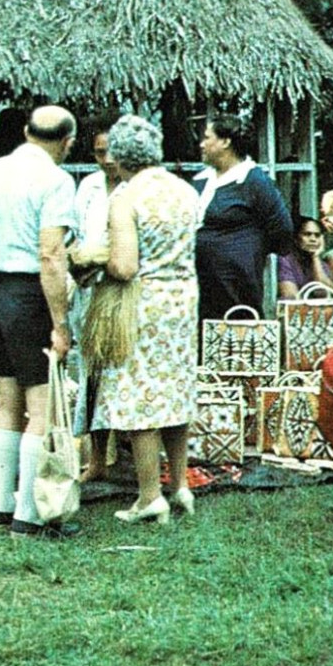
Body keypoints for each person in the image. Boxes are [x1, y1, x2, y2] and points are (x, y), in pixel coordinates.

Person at [0, 104, 78, 538]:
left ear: (27, 131)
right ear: (67, 143)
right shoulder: (56, 180)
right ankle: (28, 514)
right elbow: (51, 255)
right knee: (40, 407)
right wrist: (61, 324)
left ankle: (1, 508)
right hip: (27, 295)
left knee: (7, 402)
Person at [91, 115, 202, 524]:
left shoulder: (126, 197)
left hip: (144, 302)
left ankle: (149, 495)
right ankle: (181, 486)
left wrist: (93, 262)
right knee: (175, 390)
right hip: (183, 299)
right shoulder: (185, 191)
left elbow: (123, 265)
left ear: (119, 156)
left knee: (140, 394)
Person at [67, 120, 127, 482]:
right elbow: (75, 237)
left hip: (123, 290)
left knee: (124, 375)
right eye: (100, 152)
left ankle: (129, 457)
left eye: (113, 152)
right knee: (94, 376)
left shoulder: (135, 189)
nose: (107, 160)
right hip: (90, 293)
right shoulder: (88, 187)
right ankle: (97, 459)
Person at [193, 113, 294, 322]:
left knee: (238, 337)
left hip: (237, 283)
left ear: (225, 142)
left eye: (207, 138)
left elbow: (282, 229)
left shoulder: (253, 180)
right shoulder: (202, 180)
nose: (201, 144)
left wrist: (249, 251)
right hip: (202, 280)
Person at [276, 214, 333, 300]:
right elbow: (291, 297)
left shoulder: (321, 265)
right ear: (296, 239)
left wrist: (315, 257)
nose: (313, 239)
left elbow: (325, 293)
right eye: (307, 234)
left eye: (317, 235)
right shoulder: (285, 260)